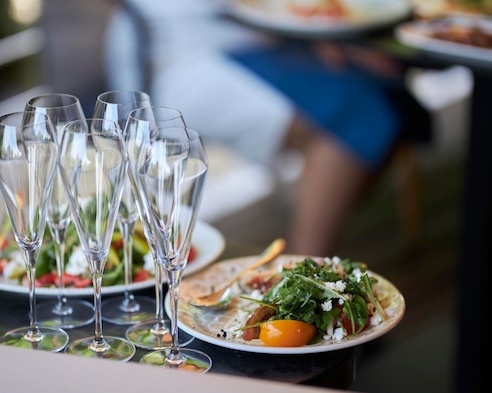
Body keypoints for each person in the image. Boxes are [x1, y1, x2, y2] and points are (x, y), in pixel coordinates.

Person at [102, 0, 430, 256]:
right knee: (357, 113)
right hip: (176, 53)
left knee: (378, 101)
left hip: (242, 37)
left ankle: (309, 261)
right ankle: (307, 274)